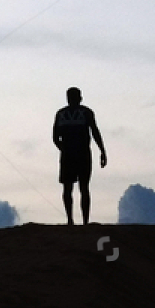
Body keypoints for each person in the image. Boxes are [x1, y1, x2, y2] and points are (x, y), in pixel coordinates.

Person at [53, 87, 105, 226]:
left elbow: (55, 137)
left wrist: (64, 149)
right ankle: (85, 221)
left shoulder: (61, 114)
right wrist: (102, 150)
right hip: (82, 154)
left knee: (68, 188)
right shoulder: (86, 112)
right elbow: (94, 131)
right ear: (80, 98)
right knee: (84, 187)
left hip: (68, 155)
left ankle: (70, 219)